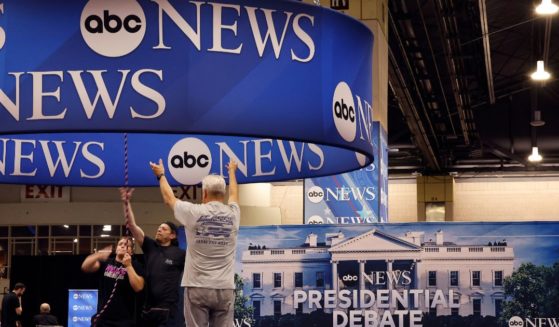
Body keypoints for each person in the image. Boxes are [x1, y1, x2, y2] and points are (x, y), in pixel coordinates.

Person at [149, 159, 240, 327]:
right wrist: (232, 172)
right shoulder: (233, 214)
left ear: (204, 193)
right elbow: (234, 195)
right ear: (223, 193)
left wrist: (160, 175)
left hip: (198, 286)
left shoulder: (194, 212)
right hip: (224, 287)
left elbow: (169, 199)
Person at [119, 187, 186, 327]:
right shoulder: (150, 247)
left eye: (164, 229)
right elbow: (132, 225)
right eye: (158, 228)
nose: (159, 230)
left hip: (169, 312)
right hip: (148, 310)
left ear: (172, 235)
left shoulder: (180, 254)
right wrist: (126, 203)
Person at [81, 237, 145, 327]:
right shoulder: (107, 263)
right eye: (120, 244)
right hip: (102, 319)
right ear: (116, 249)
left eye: (127, 245)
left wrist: (129, 266)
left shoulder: (136, 265)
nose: (123, 246)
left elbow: (138, 287)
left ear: (131, 251)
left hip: (124, 321)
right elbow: (85, 267)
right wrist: (99, 255)